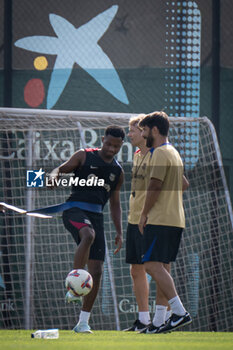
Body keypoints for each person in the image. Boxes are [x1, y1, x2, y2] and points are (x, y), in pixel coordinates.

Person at [49, 125, 125, 333]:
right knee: (88, 234)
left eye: (116, 146)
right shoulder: (83, 156)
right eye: (108, 144)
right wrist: (52, 178)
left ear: (121, 146)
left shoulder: (118, 172)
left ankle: (83, 323)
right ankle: (74, 286)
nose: (110, 149)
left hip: (96, 217)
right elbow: (59, 170)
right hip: (74, 210)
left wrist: (119, 231)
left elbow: (115, 203)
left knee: (98, 271)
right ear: (102, 139)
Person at [138, 111, 191, 334]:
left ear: (155, 130)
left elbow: (155, 186)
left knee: (150, 265)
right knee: (161, 267)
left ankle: (179, 312)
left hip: (161, 220)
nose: (142, 134)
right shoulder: (173, 152)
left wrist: (144, 214)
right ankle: (159, 322)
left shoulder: (159, 152)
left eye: (144, 130)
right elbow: (184, 184)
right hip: (175, 219)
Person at [123, 114, 151, 331]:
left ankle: (165, 315)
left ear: (144, 132)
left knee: (157, 267)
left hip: (149, 220)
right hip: (134, 219)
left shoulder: (156, 154)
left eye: (132, 130)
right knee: (136, 270)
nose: (129, 134)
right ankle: (144, 320)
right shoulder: (137, 154)